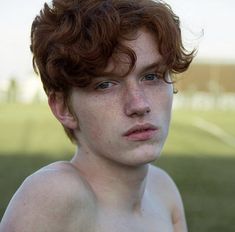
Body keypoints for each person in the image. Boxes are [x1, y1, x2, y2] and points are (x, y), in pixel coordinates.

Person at [0, 0, 195, 231]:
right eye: (105, 84)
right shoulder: (53, 195)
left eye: (151, 76)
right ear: (63, 108)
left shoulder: (163, 190)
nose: (139, 104)